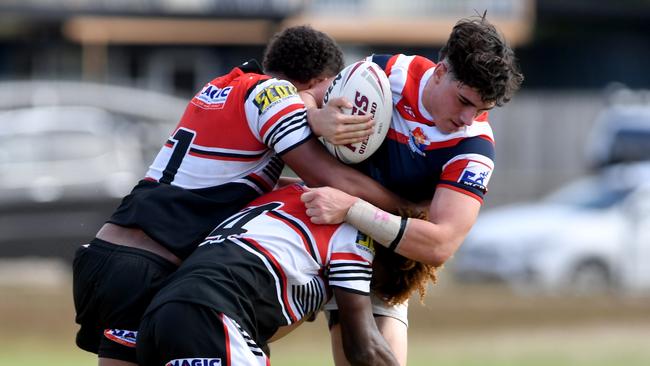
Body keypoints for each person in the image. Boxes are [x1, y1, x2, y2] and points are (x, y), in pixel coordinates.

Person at [72, 25, 410, 366]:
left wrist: (308, 115)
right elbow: (329, 177)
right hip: (156, 266)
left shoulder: (219, 86)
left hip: (109, 255)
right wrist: (409, 208)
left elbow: (233, 181)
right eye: (331, 92)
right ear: (319, 81)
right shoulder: (275, 95)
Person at [301, 15, 524, 365]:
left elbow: (440, 243)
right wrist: (315, 116)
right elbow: (298, 100)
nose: (469, 118)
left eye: (482, 109)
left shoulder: (474, 149)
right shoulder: (385, 74)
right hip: (314, 219)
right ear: (439, 73)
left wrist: (351, 208)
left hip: (378, 253)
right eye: (464, 101)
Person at [136, 183, 437, 366]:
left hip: (158, 318)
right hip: (212, 315)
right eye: (373, 284)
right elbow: (363, 348)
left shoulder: (288, 196)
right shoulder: (356, 237)